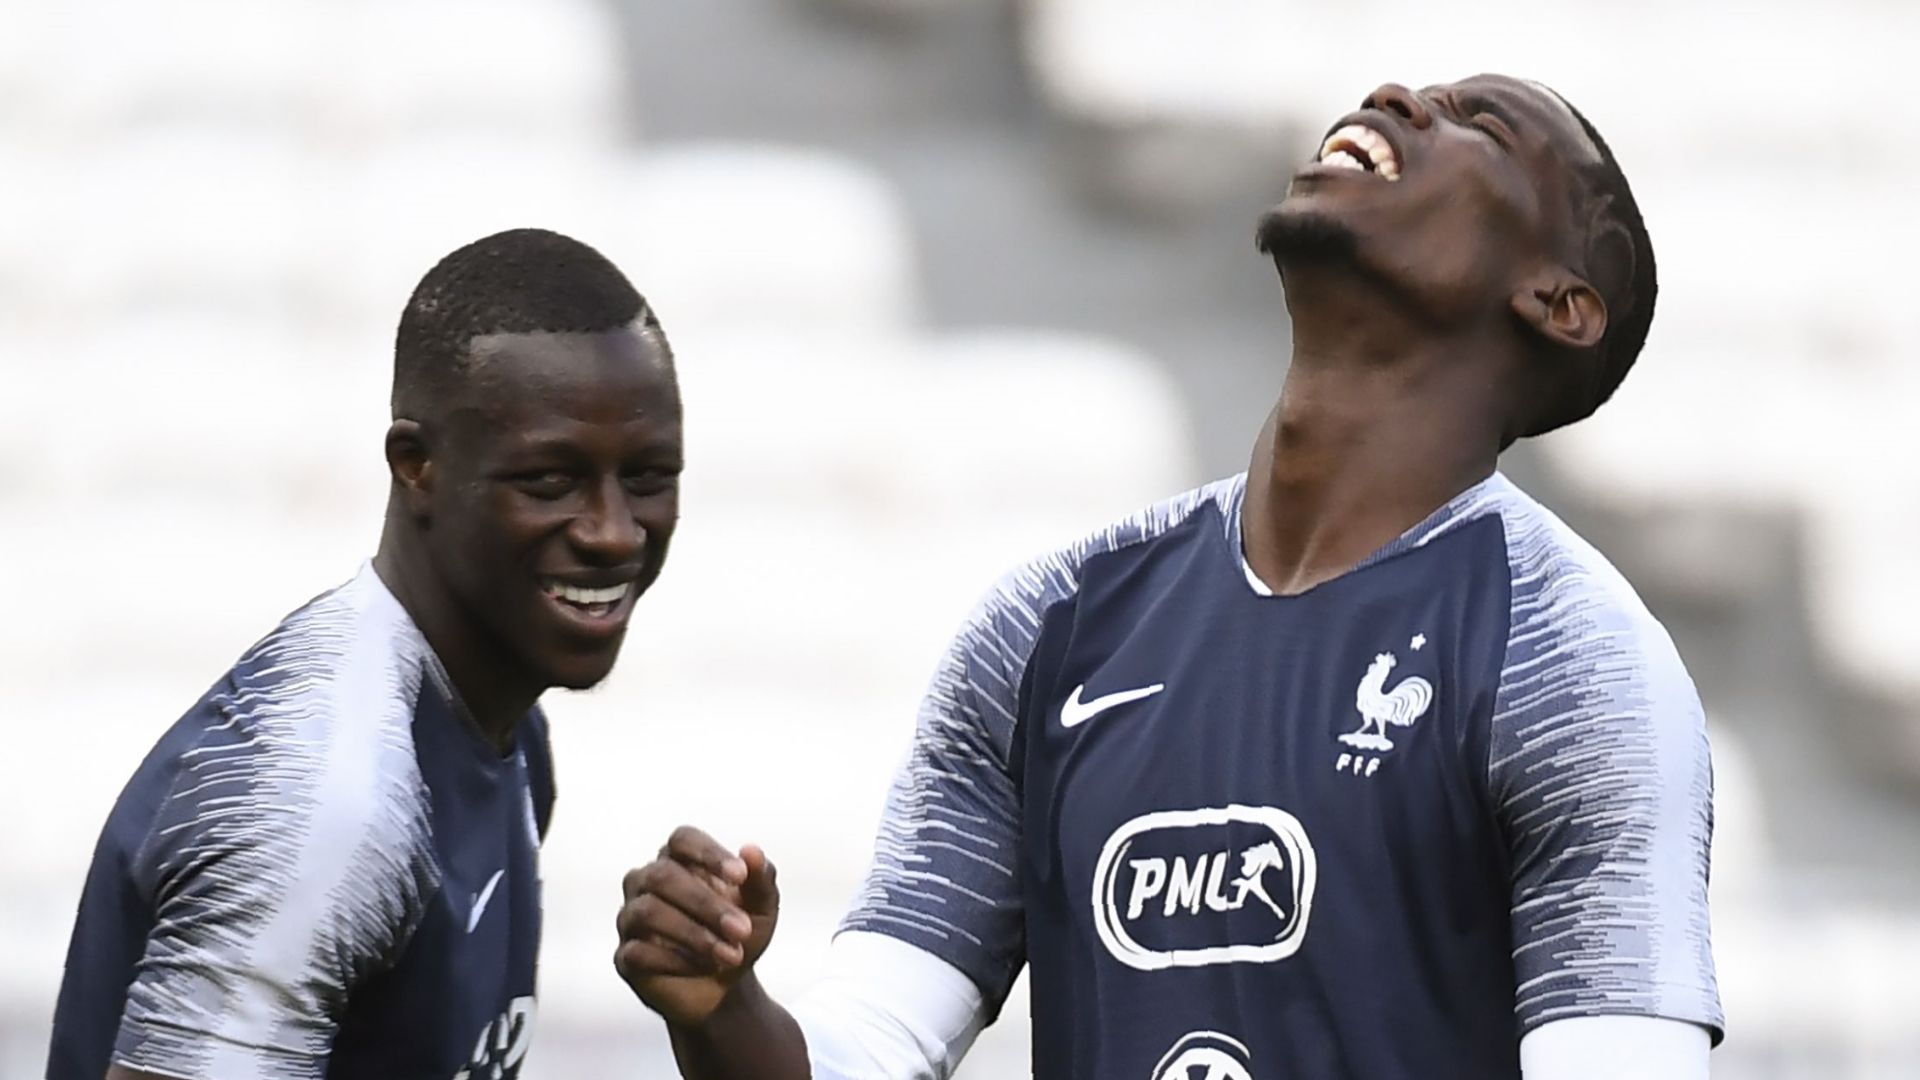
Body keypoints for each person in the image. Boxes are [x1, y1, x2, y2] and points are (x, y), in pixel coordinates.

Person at [614, 75, 1723, 1079]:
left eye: (1480, 124)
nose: (1398, 98)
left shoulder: (1572, 664)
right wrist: (723, 1009)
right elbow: (866, 1051)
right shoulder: (1049, 628)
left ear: (1556, 302)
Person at [47, 227, 683, 1080]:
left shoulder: (502, 736)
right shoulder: (330, 803)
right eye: (549, 481)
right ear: (415, 465)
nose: (613, 532)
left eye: (648, 476)